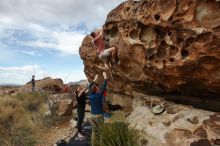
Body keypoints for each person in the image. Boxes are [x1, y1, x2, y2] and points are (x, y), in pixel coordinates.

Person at [88, 72, 107, 146]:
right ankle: (101, 144)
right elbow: (104, 86)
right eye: (97, 87)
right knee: (101, 131)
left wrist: (95, 79)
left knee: (93, 131)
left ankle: (94, 144)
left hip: (92, 115)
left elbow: (90, 86)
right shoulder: (99, 95)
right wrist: (105, 76)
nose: (98, 87)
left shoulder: (90, 95)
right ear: (96, 90)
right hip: (99, 115)